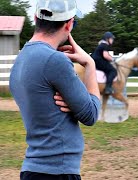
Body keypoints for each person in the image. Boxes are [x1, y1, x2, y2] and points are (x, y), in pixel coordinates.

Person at [9, 0, 101, 179]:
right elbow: (91, 114)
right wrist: (90, 64)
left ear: (36, 18)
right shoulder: (55, 60)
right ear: (69, 24)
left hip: (32, 169)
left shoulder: (21, 59)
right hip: (57, 172)